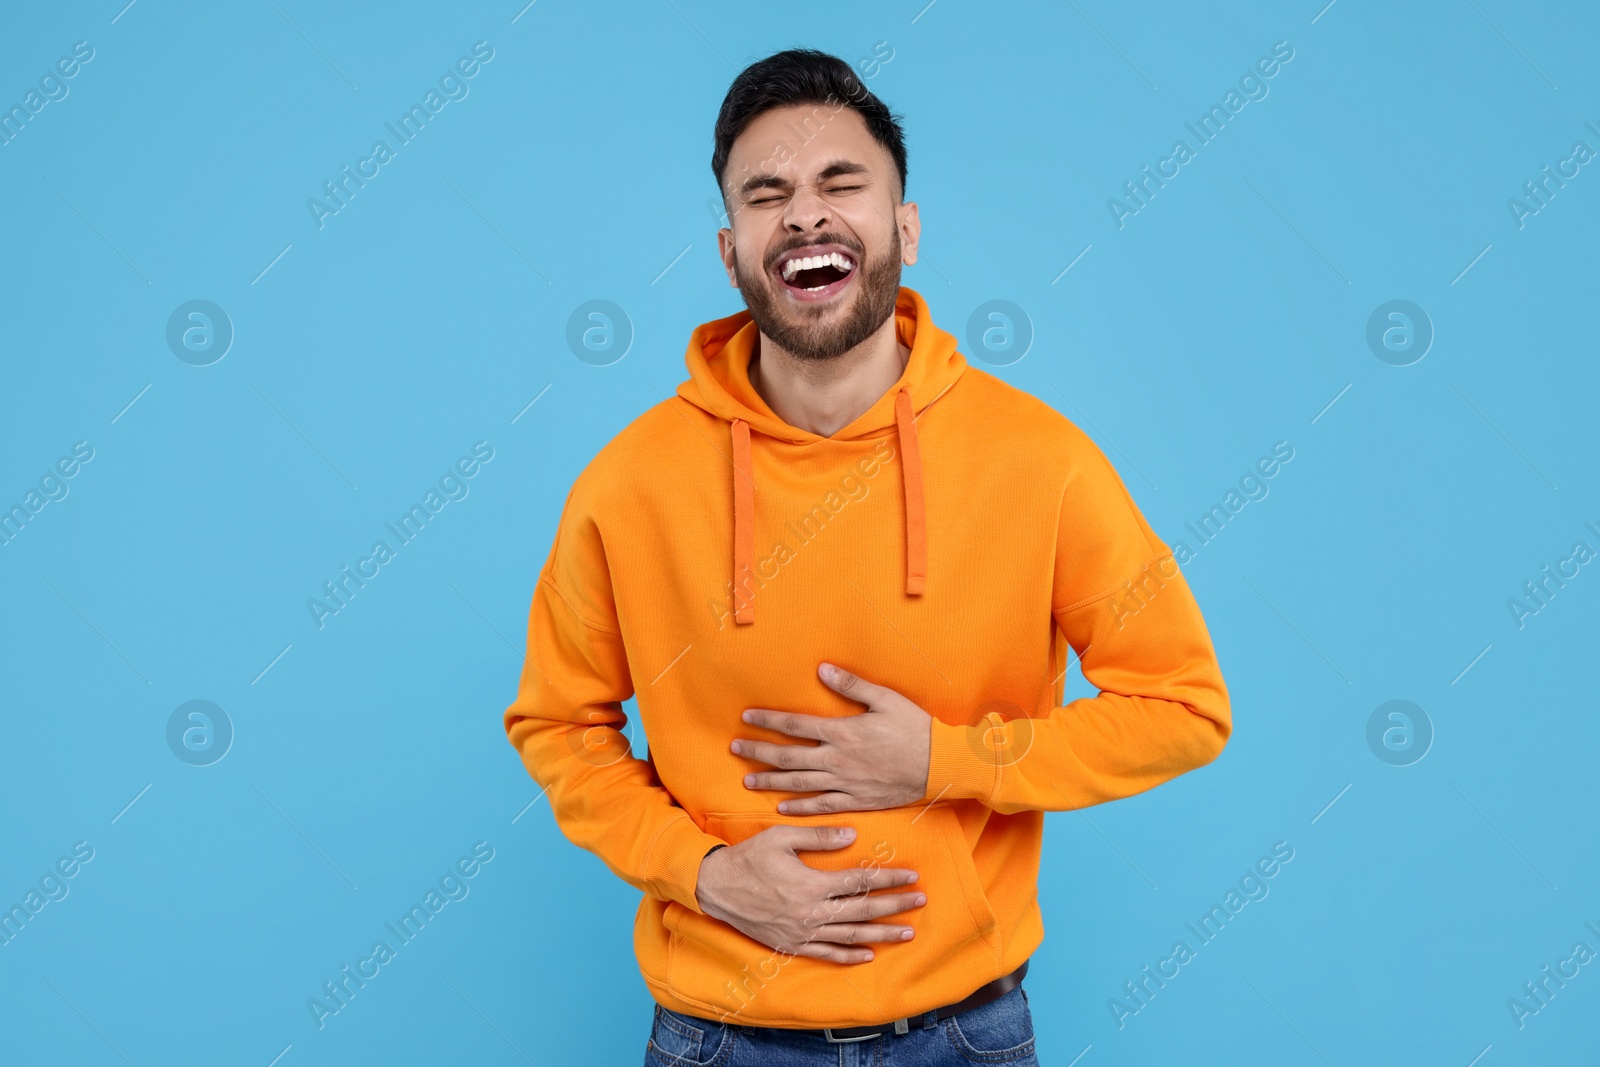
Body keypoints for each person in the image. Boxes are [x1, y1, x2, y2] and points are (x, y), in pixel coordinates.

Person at [503, 47, 1231, 1067]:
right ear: (731, 251)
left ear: (905, 228)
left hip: (963, 1033)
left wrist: (947, 759)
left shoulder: (1041, 462)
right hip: (716, 1036)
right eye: (769, 195)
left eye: (840, 183)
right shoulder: (628, 484)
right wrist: (701, 871)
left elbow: (1183, 708)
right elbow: (557, 722)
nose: (804, 215)